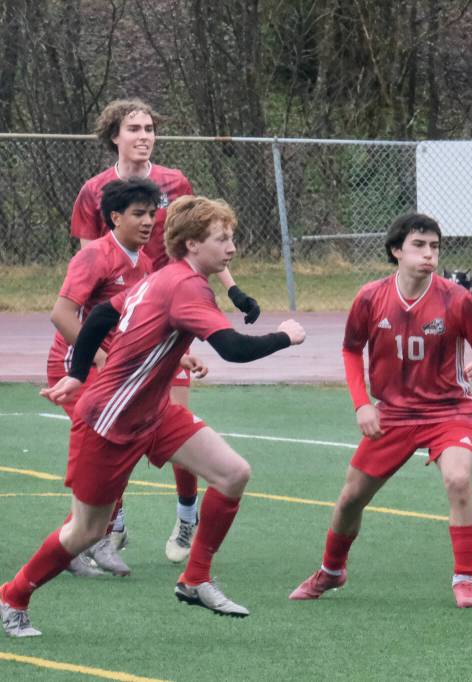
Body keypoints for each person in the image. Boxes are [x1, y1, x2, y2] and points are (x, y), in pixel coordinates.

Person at [1, 196, 305, 637]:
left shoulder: (164, 276)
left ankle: (195, 578)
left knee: (233, 473)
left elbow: (105, 313)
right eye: (222, 239)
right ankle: (13, 596)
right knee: (86, 531)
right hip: (110, 421)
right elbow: (233, 349)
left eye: (231, 237)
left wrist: (78, 371)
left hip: (153, 413)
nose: (232, 248)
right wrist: (284, 336)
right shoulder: (185, 286)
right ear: (191, 244)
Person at [70, 98, 261, 565]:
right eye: (133, 127)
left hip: (170, 314)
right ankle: (108, 526)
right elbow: (88, 262)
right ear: (113, 135)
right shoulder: (94, 190)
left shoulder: (175, 182)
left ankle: (186, 513)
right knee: (114, 424)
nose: (144, 135)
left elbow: (199, 240)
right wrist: (95, 345)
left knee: (173, 418)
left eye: (150, 127)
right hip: (122, 320)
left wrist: (233, 291)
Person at [289, 213, 472, 609]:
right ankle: (332, 571)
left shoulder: (457, 299)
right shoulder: (370, 297)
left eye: (435, 246)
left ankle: (464, 580)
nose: (429, 254)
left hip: (448, 410)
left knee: (458, 479)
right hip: (393, 414)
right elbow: (351, 350)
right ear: (396, 251)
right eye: (419, 245)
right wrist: (362, 404)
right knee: (351, 497)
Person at [49, 178, 208, 578]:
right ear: (114, 217)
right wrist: (100, 360)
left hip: (113, 372)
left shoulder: (145, 262)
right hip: (78, 368)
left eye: (152, 214)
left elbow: (143, 319)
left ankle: (89, 537)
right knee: (102, 450)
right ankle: (86, 540)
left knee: (116, 449)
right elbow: (62, 315)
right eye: (138, 214)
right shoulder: (94, 258)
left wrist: (181, 356)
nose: (148, 221)